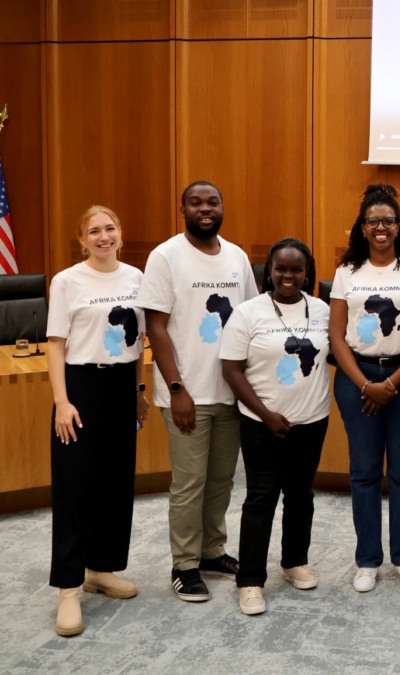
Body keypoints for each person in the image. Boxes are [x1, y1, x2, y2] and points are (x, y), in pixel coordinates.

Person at [136, 181, 259, 602]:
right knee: (189, 484)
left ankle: (211, 551)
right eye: (196, 203)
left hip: (230, 392)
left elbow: (250, 321)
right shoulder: (166, 256)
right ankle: (184, 565)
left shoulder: (238, 257)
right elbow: (155, 327)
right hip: (187, 392)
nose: (205, 209)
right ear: (183, 209)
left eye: (212, 202)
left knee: (222, 480)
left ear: (222, 207)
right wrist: (177, 388)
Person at [330, 184, 400, 594]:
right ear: (361, 226)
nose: (380, 227)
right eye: (372, 221)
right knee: (364, 472)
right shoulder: (346, 272)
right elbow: (337, 337)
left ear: (398, 226)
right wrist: (366, 384)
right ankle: (368, 560)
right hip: (356, 380)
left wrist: (390, 383)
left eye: (387, 221)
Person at [46, 206, 148, 637]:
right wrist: (62, 402)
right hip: (80, 387)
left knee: (115, 481)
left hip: (123, 384)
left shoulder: (136, 278)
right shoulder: (67, 281)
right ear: (82, 239)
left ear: (121, 234)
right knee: (75, 486)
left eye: (110, 228)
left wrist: (140, 391)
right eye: (94, 231)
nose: (103, 236)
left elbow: (139, 340)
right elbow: (55, 345)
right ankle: (69, 588)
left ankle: (101, 569)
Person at [220, 238, 330, 616]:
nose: (288, 276)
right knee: (261, 497)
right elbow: (231, 370)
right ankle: (250, 579)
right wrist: (265, 414)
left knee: (301, 495)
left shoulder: (322, 310)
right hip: (260, 422)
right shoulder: (248, 312)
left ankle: (294, 561)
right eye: (281, 269)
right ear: (269, 270)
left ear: (307, 273)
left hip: (312, 420)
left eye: (296, 269)